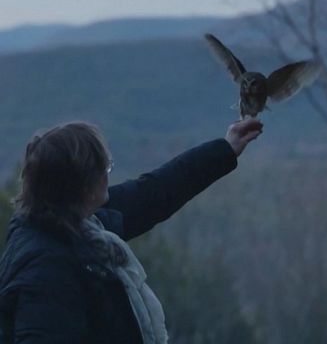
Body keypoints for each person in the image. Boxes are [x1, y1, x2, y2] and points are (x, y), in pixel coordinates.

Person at [0, 117, 263, 344]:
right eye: (104, 167)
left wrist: (225, 148)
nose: (107, 174)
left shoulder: (80, 225)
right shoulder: (46, 269)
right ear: (79, 184)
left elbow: (154, 192)